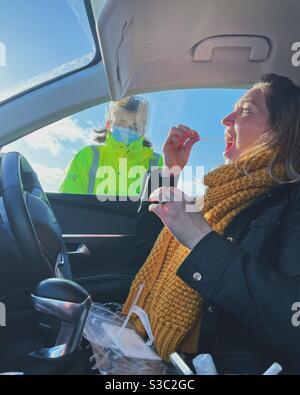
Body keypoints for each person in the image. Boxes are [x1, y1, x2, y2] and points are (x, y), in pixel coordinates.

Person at [121, 73, 300, 374]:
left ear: (280, 132)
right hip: (158, 355)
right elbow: (144, 255)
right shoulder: (214, 197)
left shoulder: (291, 201)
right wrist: (170, 169)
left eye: (245, 111)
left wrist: (202, 241)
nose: (226, 119)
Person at [59, 96, 163, 196]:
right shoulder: (88, 157)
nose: (126, 131)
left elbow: (167, 207)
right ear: (109, 125)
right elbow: (68, 206)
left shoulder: (158, 163)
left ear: (142, 131)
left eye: (134, 127)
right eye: (121, 123)